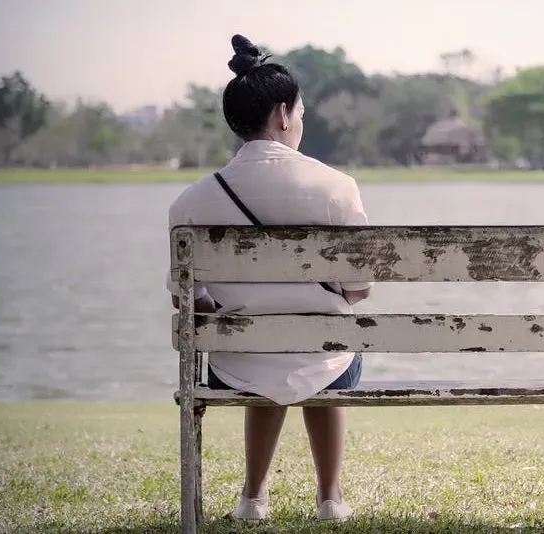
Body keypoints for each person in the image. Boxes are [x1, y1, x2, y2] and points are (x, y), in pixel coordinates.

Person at [166, 34, 371, 523]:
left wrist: (236, 314)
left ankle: (253, 498)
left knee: (261, 352)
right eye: (300, 114)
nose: (300, 122)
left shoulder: (189, 203)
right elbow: (359, 290)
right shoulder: (336, 187)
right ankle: (330, 500)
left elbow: (188, 302)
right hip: (326, 358)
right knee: (326, 350)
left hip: (237, 365)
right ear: (282, 115)